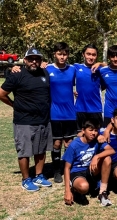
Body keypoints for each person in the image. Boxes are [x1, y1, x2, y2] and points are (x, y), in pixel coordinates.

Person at [0, 48, 53, 192]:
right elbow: (2, 93)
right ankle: (26, 179)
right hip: (24, 121)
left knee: (40, 150)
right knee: (24, 151)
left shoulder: (45, 73)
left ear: (41, 60)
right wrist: (14, 104)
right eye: (31, 59)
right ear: (25, 60)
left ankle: (39, 175)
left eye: (37, 59)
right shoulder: (17, 74)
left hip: (43, 119)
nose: (34, 61)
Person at [45, 42, 78, 183]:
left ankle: (67, 167)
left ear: (68, 55)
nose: (62, 57)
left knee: (69, 143)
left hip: (70, 113)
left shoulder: (73, 69)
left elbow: (89, 71)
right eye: (59, 54)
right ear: (55, 54)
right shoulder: (47, 69)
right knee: (57, 143)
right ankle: (57, 170)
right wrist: (16, 67)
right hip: (55, 113)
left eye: (64, 54)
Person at [63, 119, 115, 206]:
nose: (93, 133)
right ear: (83, 130)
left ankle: (102, 192)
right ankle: (75, 189)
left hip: (90, 170)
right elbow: (67, 168)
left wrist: (96, 156)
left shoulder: (96, 140)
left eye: (95, 130)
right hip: (77, 172)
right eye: (90, 130)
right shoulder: (74, 145)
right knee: (84, 187)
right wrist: (67, 191)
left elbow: (111, 150)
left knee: (107, 158)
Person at [74, 44, 105, 132]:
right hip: (80, 109)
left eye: (93, 55)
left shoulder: (100, 69)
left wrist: (100, 63)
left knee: (97, 137)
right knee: (80, 137)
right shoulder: (76, 67)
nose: (91, 57)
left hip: (95, 109)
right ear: (83, 54)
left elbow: (111, 67)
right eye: (88, 54)